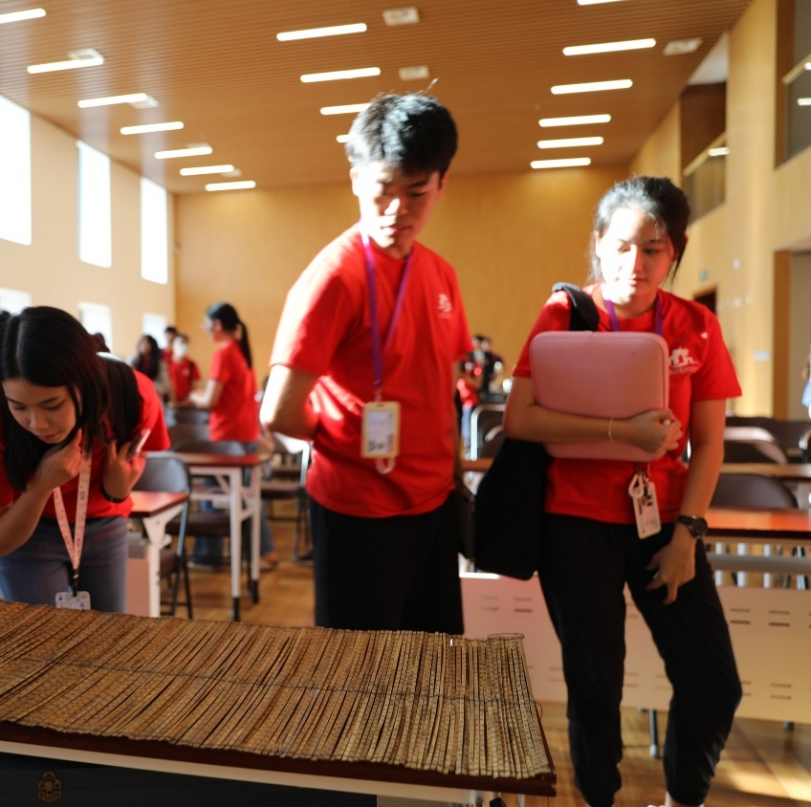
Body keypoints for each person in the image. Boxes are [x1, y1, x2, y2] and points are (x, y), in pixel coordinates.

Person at [502, 176, 741, 807]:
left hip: (665, 522)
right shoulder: (565, 315)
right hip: (575, 521)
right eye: (622, 246)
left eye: (653, 249)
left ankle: (682, 799)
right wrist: (620, 431)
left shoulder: (697, 326)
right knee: (596, 684)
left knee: (713, 681)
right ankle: (599, 800)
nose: (635, 263)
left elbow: (708, 444)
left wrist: (688, 535)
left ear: (674, 253)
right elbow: (520, 418)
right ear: (599, 244)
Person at [260, 93, 468, 633]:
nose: (398, 210)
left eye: (416, 192)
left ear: (441, 184)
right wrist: (342, 437)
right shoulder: (335, 276)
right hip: (358, 510)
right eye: (383, 191)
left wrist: (453, 474)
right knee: (360, 672)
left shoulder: (441, 274)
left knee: (436, 664)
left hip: (433, 504)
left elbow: (443, 387)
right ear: (356, 180)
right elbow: (278, 411)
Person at [0, 306, 169, 612]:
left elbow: (138, 457)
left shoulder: (132, 393)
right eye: (19, 406)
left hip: (103, 521)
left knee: (106, 636)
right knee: (40, 638)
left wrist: (120, 488)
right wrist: (39, 487)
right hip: (27, 531)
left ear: (84, 382)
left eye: (52, 405)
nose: (37, 423)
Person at [189, 302, 278, 569]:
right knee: (247, 497)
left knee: (211, 496)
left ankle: (209, 555)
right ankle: (264, 552)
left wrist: (194, 396)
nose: (204, 329)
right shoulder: (242, 351)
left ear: (217, 325)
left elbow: (210, 400)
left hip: (226, 438)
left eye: (206, 324)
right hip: (244, 434)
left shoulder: (224, 353)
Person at [129, 333, 171, 401]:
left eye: (147, 343)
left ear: (153, 346)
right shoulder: (132, 361)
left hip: (154, 398)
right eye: (142, 343)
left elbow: (166, 386)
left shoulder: (160, 364)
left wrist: (148, 385)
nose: (144, 346)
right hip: (135, 398)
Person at [166, 331, 201, 406]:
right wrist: (172, 401)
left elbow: (194, 385)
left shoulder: (191, 365)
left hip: (187, 404)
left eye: (186, 343)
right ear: (173, 345)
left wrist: (186, 400)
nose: (183, 346)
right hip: (169, 404)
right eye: (181, 343)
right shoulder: (166, 364)